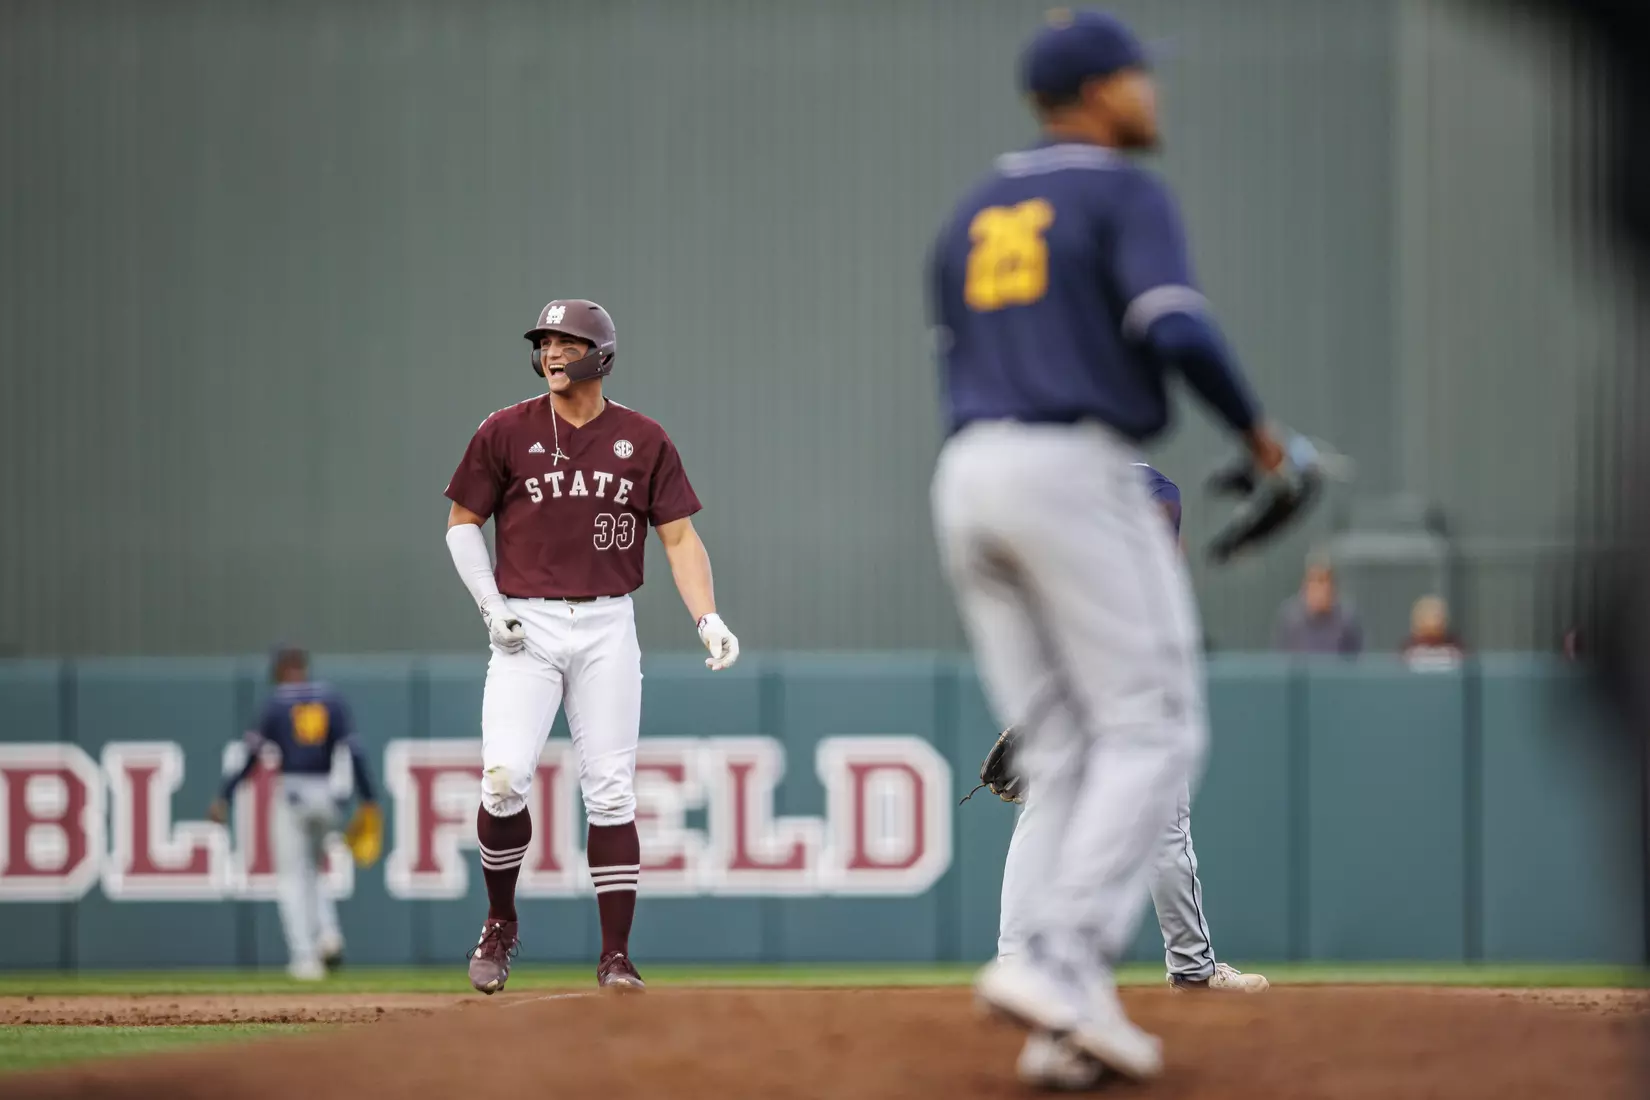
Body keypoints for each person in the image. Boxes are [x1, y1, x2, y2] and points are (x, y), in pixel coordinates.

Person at [929, 8, 1289, 1085]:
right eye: (1138, 78)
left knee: (1063, 755)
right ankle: (1060, 954)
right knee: (1157, 726)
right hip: (1071, 466)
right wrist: (1258, 434)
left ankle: (1056, 1012)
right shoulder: (1120, 189)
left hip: (967, 475)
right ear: (1092, 92)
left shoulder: (971, 212)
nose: (1151, 93)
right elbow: (1175, 324)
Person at [443, 299, 739, 995]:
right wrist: (491, 605)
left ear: (600, 355)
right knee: (505, 777)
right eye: (544, 341)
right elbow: (462, 525)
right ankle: (500, 921)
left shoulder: (643, 437)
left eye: (566, 341)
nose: (551, 352)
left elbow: (679, 538)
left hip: (608, 621)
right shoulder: (506, 429)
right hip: (527, 623)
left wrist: (708, 617)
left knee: (610, 794)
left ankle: (615, 956)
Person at [994, 464, 1268, 1090]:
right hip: (1127, 682)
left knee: (1043, 814)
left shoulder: (1053, 512)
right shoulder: (1146, 520)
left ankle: (1018, 961)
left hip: (1064, 673)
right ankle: (1192, 969)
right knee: (1162, 827)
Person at [210, 646, 377, 981]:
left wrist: (224, 796)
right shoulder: (330, 698)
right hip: (328, 795)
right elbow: (354, 751)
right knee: (315, 872)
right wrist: (369, 798)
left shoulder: (276, 702)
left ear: (279, 671)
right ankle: (329, 935)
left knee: (291, 878)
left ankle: (305, 958)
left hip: (294, 794)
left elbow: (250, 756)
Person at [1273, 559, 1363, 655]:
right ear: (1304, 587)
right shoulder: (1290, 620)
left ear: (1333, 588)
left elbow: (1358, 661)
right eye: (1313, 581)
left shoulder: (1347, 620)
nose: (1319, 589)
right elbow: (1279, 661)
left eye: (1323, 581)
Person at [1401, 595, 1464, 671]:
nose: (1433, 620)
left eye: (1437, 616)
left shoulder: (1457, 646)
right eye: (1425, 615)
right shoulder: (1408, 649)